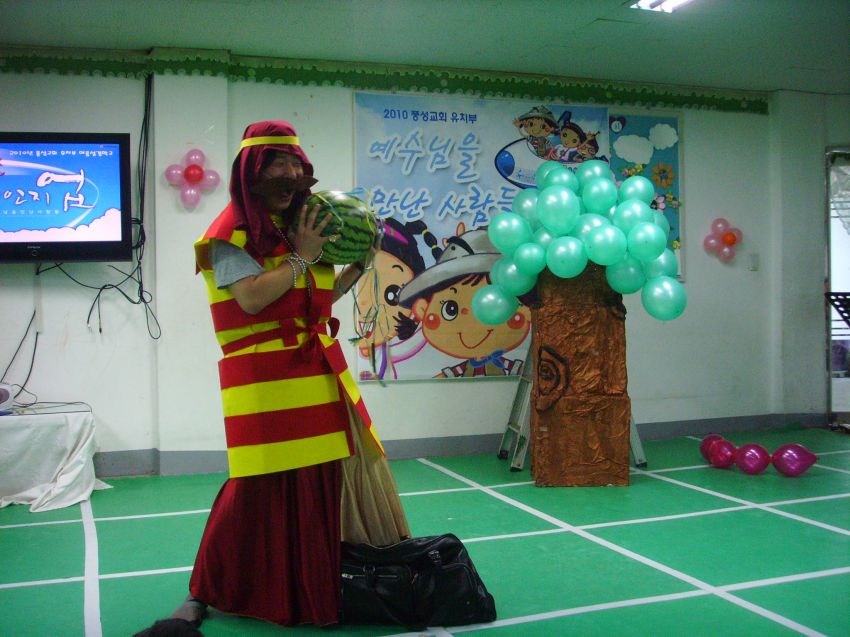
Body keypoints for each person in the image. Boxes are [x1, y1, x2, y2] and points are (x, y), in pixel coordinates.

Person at [173, 120, 410, 629]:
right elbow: (254, 297)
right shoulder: (228, 235)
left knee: (315, 487)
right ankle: (206, 588)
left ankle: (305, 591)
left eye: (295, 165)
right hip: (262, 381)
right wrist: (303, 256)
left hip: (314, 373)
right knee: (254, 490)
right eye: (276, 164)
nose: (289, 175)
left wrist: (354, 268)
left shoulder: (302, 227)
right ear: (250, 174)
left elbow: (310, 299)